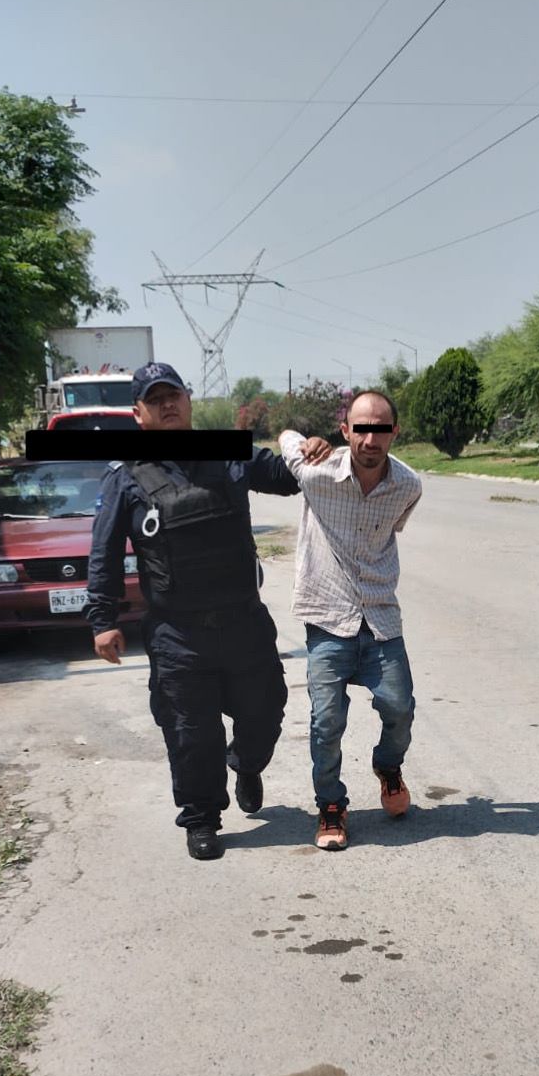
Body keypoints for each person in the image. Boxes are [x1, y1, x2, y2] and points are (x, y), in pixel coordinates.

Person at [87, 361, 303, 862]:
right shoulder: (125, 476)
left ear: (188, 401)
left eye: (174, 395)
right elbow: (103, 554)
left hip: (243, 622)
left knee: (265, 712)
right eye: (155, 399)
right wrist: (102, 621)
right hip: (176, 633)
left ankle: (246, 765)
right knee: (190, 732)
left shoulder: (228, 454)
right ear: (137, 413)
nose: (168, 404)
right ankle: (203, 818)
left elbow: (285, 477)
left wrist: (304, 452)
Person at [279, 390, 422, 851]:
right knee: (326, 722)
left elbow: (393, 528)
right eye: (361, 428)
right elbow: (284, 437)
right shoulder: (316, 473)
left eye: (381, 428)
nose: (370, 438)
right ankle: (331, 806)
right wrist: (305, 440)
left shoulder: (408, 485)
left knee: (400, 708)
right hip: (327, 619)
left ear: (394, 432)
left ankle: (387, 766)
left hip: (380, 618)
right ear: (347, 432)